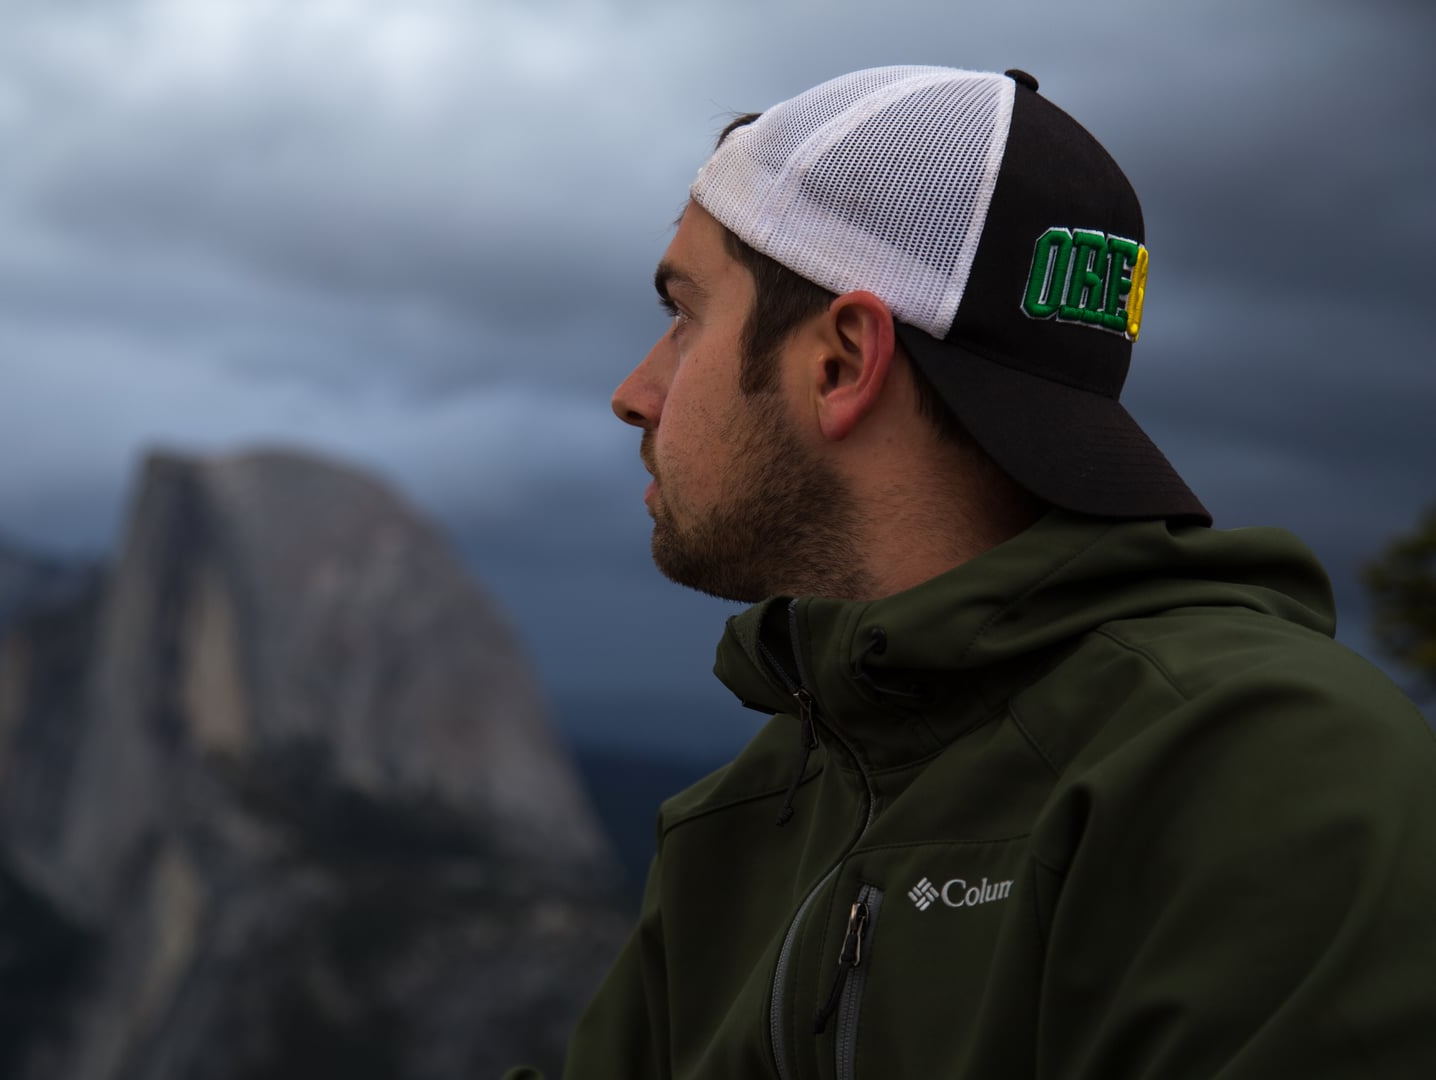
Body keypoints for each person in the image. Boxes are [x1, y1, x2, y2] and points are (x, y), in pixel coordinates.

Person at [506, 65, 1436, 1079]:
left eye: (685, 314)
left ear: (842, 361)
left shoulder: (1266, 775)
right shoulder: (748, 817)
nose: (634, 392)